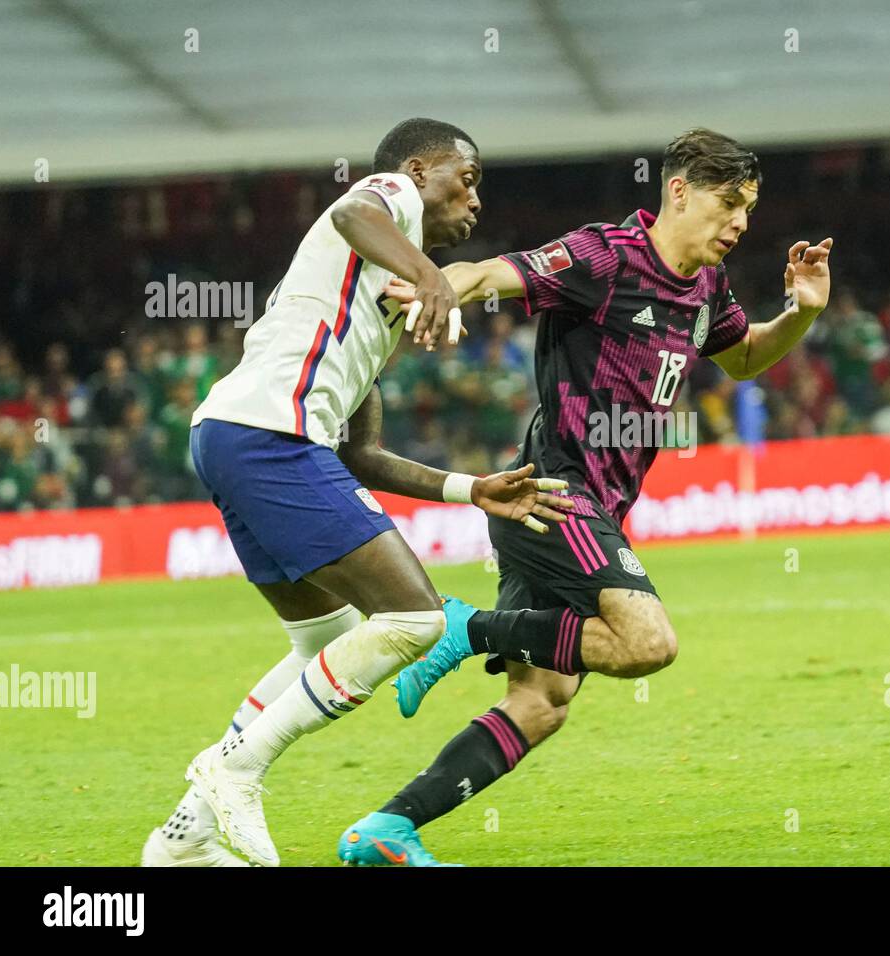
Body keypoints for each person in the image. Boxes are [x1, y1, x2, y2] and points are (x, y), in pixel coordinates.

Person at [337, 128, 833, 866]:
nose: (739, 224)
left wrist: (803, 312)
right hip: (552, 495)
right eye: (729, 204)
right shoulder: (605, 257)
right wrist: (439, 287)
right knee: (647, 643)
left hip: (594, 507)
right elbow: (485, 275)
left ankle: (386, 829)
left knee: (543, 702)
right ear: (679, 192)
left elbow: (748, 358)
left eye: (749, 210)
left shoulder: (705, 288)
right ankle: (463, 629)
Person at [141, 118, 574, 868]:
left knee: (325, 642)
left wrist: (473, 489)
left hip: (235, 437)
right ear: (419, 169)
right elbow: (352, 211)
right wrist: (438, 278)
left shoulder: (370, 297)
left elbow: (363, 456)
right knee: (413, 618)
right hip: (266, 437)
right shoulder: (389, 197)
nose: (474, 200)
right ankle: (233, 771)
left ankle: (183, 840)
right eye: (465, 178)